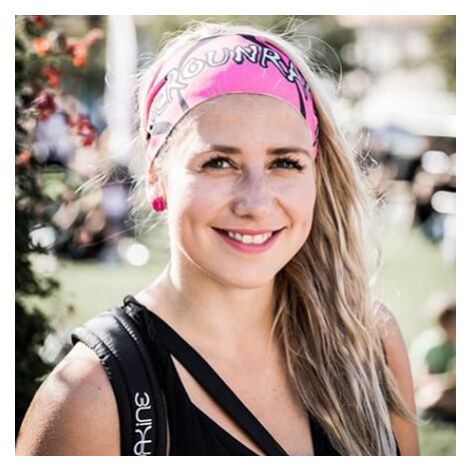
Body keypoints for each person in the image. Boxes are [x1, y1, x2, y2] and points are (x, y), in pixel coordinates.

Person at [15, 21, 419, 456]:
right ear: (155, 177)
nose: (256, 202)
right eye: (219, 163)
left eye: (285, 162)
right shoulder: (91, 398)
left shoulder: (368, 344)